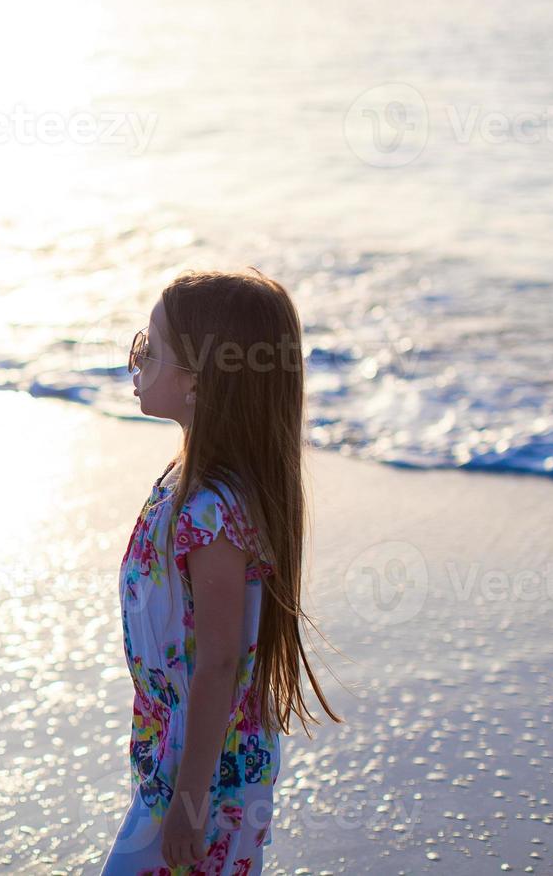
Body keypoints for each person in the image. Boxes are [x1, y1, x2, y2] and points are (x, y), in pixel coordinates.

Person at [100, 268, 342, 876]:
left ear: (199, 385)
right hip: (179, 747)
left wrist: (189, 798)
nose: (135, 358)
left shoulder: (210, 509)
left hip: (207, 764)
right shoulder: (186, 480)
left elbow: (219, 661)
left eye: (150, 349)